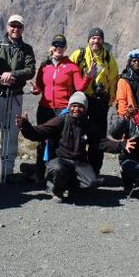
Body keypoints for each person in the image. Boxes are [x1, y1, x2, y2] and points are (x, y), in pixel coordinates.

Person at [15, 92, 112, 202]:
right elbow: (38, 132)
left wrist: (123, 145)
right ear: (69, 107)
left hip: (79, 162)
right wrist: (25, 126)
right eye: (74, 106)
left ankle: (73, 187)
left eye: (80, 106)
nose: (76, 109)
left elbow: (102, 142)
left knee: (92, 182)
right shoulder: (60, 121)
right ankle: (57, 190)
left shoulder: (88, 124)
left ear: (85, 109)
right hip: (61, 160)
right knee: (57, 169)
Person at [30, 34, 95, 183]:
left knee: (58, 143)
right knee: (42, 141)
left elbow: (79, 87)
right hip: (44, 108)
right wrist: (36, 90)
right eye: (56, 45)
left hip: (62, 110)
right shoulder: (44, 66)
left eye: (61, 46)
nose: (58, 48)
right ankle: (40, 173)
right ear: (52, 47)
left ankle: (56, 176)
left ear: (65, 48)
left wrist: (89, 76)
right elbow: (40, 86)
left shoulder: (71, 66)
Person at [0, 14, 36, 185]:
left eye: (19, 26)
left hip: (15, 96)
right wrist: (1, 77)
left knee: (11, 133)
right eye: (13, 25)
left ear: (23, 29)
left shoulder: (27, 49)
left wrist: (12, 75)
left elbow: (30, 70)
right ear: (7, 27)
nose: (15, 29)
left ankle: (8, 170)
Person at [69, 27, 118, 173]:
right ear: (88, 40)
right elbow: (69, 74)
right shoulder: (79, 55)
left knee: (97, 138)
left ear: (102, 40)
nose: (96, 41)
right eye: (93, 38)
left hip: (100, 103)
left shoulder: (109, 58)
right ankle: (76, 168)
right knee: (78, 135)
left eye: (99, 38)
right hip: (81, 101)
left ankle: (94, 171)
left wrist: (110, 101)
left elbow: (114, 80)